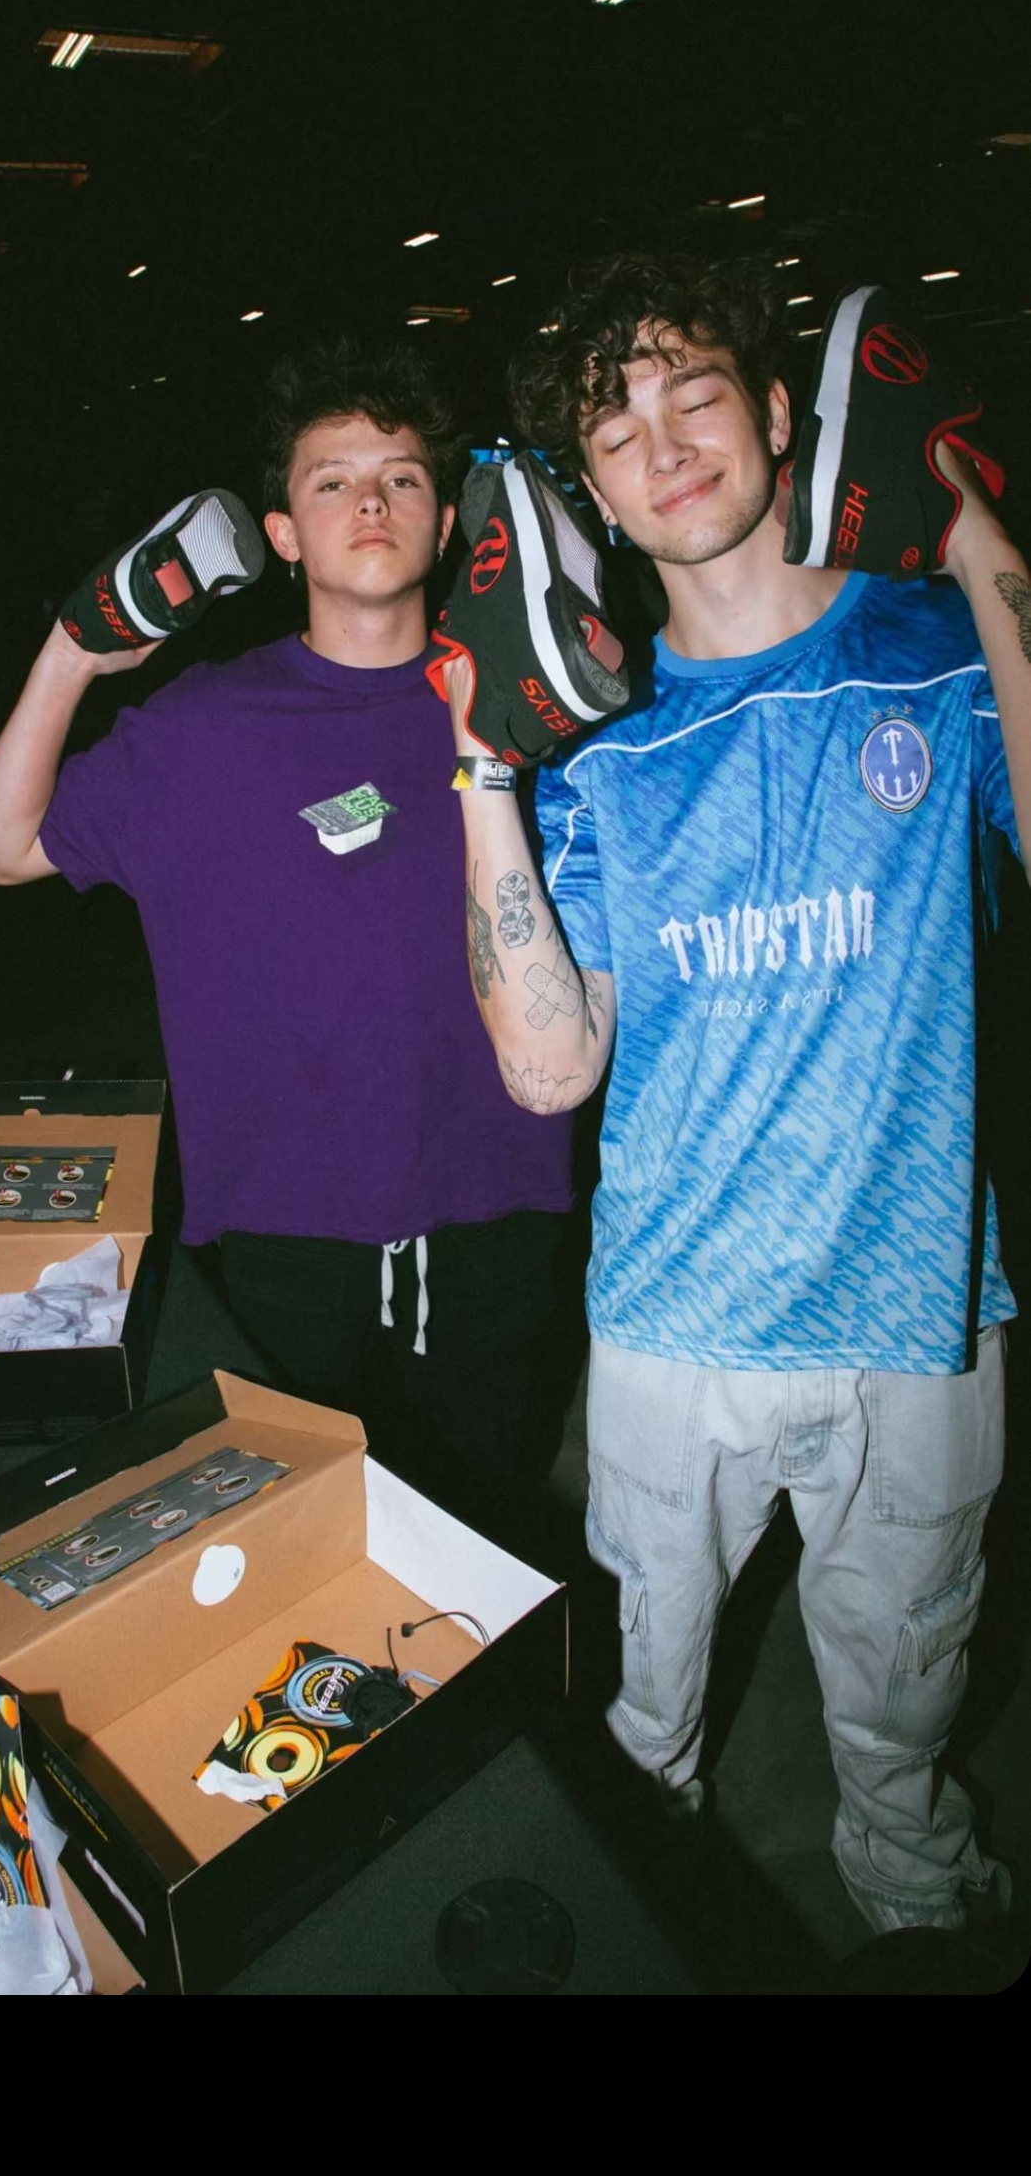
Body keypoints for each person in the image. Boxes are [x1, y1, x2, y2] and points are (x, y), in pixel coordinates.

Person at [439, 251, 1028, 1934]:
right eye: (614, 428)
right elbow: (550, 1065)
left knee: (903, 1735)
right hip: (670, 1333)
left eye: (692, 392)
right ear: (594, 493)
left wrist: (973, 529)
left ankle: (921, 1924)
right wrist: (479, 760)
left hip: (916, 1321)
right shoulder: (597, 746)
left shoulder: (936, 650)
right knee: (636, 1736)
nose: (663, 443)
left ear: (778, 414)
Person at [0, 341, 575, 1537]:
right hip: (280, 1215)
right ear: (284, 534)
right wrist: (71, 658)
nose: (370, 501)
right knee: (295, 1535)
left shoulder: (522, 707)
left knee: (483, 1527)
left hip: (491, 1196)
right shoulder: (200, 726)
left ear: (447, 522)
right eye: (333, 481)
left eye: (401, 478)